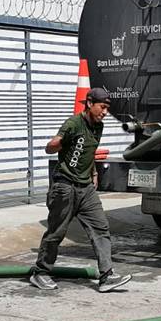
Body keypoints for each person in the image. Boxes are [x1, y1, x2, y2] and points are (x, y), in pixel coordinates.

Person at [30, 87, 132, 292]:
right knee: (56, 232)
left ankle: (106, 276)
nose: (105, 112)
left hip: (86, 189)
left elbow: (89, 151)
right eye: (102, 107)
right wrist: (59, 143)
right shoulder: (73, 124)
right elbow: (50, 147)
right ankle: (40, 272)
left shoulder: (98, 127)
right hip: (65, 186)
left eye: (107, 108)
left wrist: (93, 173)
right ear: (89, 104)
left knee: (100, 228)